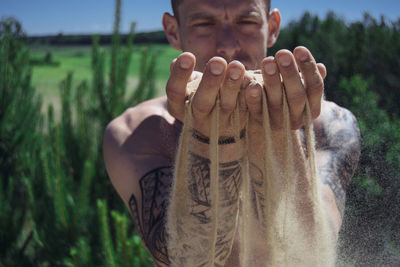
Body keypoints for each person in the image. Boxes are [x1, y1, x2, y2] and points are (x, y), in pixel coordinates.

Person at [103, 0, 361, 266]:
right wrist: (210, 136)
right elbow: (184, 259)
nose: (227, 45)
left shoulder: (329, 126)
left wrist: (275, 133)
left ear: (272, 28)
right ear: (173, 31)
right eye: (204, 23)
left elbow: (314, 252)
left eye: (246, 21)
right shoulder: (138, 133)